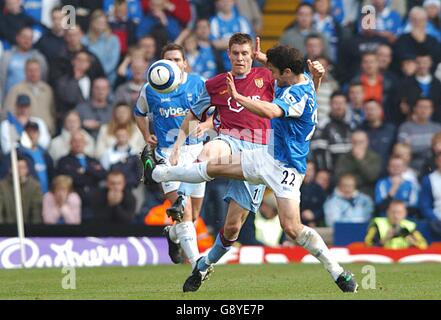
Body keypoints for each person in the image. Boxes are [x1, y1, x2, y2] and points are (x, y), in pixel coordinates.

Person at [146, 45, 358, 293]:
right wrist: (267, 59)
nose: (273, 78)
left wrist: (238, 97)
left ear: (287, 72)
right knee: (214, 166)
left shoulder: (297, 93)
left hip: (287, 168)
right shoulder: (303, 80)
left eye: (276, 73)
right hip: (264, 155)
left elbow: (271, 110)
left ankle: (338, 272)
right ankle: (162, 174)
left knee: (291, 228)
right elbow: (291, 75)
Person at [135, 43, 210, 267]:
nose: (173, 64)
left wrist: (205, 126)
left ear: (184, 63)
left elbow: (215, 112)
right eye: (168, 60)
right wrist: (146, 134)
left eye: (177, 60)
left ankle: (173, 235)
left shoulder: (199, 84)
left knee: (194, 215)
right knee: (183, 211)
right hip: (167, 154)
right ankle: (197, 265)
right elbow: (138, 112)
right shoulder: (150, 88)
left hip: (196, 151)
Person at [4, 58, 56, 134]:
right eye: (30, 70)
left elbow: (52, 112)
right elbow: (8, 112)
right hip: (25, 133)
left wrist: (51, 127)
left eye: (36, 70)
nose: (33, 73)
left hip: (46, 133)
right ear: (25, 72)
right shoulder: (16, 89)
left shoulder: (47, 90)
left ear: (40, 71)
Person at [335, 130, 382, 198]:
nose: (357, 145)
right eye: (355, 142)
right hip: (345, 192)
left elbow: (372, 177)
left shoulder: (374, 157)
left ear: (367, 142)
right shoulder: (345, 157)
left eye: (361, 142)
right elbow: (338, 177)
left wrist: (360, 160)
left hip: (366, 192)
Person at [0, 156, 42, 224]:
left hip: (29, 230)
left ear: (27, 169)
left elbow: (36, 213)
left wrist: (34, 231)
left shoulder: (35, 186)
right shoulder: (2, 186)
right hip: (6, 230)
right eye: (17, 168)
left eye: (22, 168)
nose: (19, 171)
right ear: (10, 169)